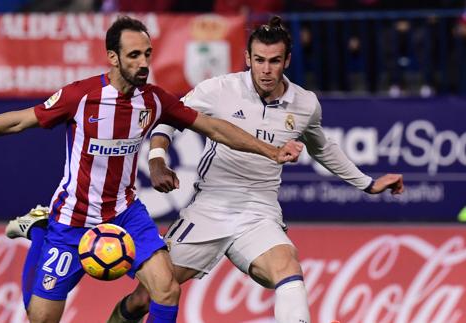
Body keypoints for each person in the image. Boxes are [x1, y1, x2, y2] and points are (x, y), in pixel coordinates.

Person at [0, 16, 302, 323]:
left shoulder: (154, 99)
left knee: (166, 290)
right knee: (40, 318)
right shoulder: (80, 97)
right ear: (113, 57)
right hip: (73, 219)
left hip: (126, 216)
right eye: (134, 56)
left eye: (148, 54)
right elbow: (18, 121)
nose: (144, 63)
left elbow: (214, 127)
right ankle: (41, 230)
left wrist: (270, 150)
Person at [107, 16, 405, 323]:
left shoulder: (305, 104)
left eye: (274, 61)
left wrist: (368, 184)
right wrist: (157, 159)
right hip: (210, 207)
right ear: (247, 58)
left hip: (258, 212)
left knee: (288, 267)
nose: (266, 69)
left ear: (287, 60)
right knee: (147, 296)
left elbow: (323, 149)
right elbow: (170, 119)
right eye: (259, 60)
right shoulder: (218, 89)